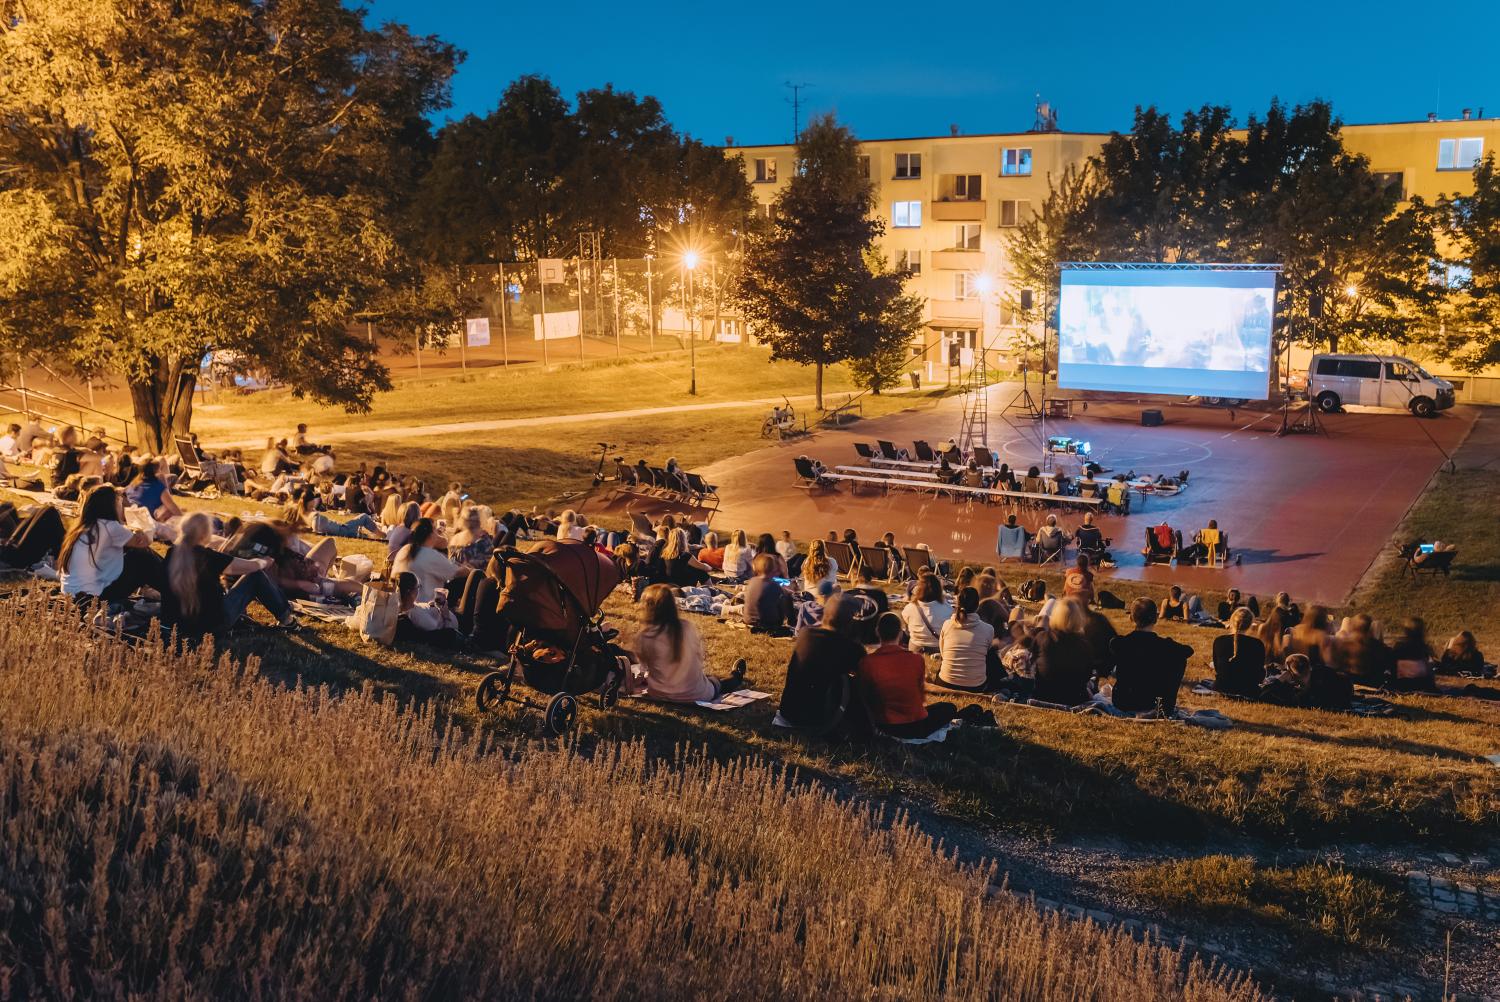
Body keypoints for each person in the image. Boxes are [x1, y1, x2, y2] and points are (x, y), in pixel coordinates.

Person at [163, 511, 298, 643]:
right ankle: (288, 621)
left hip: (177, 626)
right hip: (211, 626)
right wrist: (265, 561)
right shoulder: (208, 557)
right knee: (255, 576)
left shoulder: (171, 553)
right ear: (205, 533)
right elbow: (251, 567)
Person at [631, 584, 746, 702]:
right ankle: (736, 676)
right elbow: (699, 658)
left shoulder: (644, 636)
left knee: (707, 680)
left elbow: (644, 666)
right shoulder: (686, 627)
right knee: (716, 683)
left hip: (660, 694)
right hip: (696, 694)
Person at [778, 594, 868, 736]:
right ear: (851, 622)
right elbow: (865, 679)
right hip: (818, 719)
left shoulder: (805, 633)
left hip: (788, 712)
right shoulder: (852, 649)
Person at [58, 484, 165, 603]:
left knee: (130, 552)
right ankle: (173, 589)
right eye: (119, 503)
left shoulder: (83, 528)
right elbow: (145, 541)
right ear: (111, 506)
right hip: (92, 598)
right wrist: (142, 522)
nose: (121, 507)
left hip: (72, 593)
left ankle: (156, 586)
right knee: (141, 555)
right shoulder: (109, 527)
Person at [859, 612, 956, 739]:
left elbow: (866, 697)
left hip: (882, 725)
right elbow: (920, 696)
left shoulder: (867, 662)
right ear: (900, 634)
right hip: (915, 726)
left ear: (877, 632)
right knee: (949, 708)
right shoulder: (916, 659)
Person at [1108, 598, 1194, 714]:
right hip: (1155, 703)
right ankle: (1164, 704)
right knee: (1179, 658)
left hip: (1123, 701)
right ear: (1155, 619)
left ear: (1131, 618)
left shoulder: (1120, 643)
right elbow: (1188, 651)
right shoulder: (1166, 646)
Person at [1032, 598, 1094, 706]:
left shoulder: (1042, 637)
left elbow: (1034, 662)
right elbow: (1087, 676)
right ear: (1077, 618)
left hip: (1043, 695)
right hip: (1075, 698)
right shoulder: (1085, 645)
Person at [937, 587, 998, 691]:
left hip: (945, 682)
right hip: (975, 686)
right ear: (977, 605)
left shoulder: (947, 625)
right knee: (991, 654)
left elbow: (943, 653)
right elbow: (986, 655)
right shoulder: (988, 629)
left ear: (958, 603)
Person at [391, 518, 462, 603]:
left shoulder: (404, 550)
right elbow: (457, 572)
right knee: (470, 578)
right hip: (425, 605)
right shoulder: (430, 555)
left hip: (401, 603)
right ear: (430, 535)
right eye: (435, 530)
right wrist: (470, 570)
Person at [392, 571, 464, 650]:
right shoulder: (417, 616)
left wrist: (429, 606)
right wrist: (445, 614)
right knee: (472, 576)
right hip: (460, 626)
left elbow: (419, 609)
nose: (419, 589)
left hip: (450, 615)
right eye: (418, 587)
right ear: (410, 592)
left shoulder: (404, 607)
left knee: (471, 577)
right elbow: (445, 634)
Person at [1260, 653, 1352, 711]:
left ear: (1289, 671)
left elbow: (1264, 696)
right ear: (1309, 667)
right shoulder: (1323, 674)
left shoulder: (1296, 692)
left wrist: (1282, 678)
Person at [1212, 608, 1267, 697]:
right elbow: (1259, 674)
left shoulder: (1219, 641)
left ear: (1231, 621)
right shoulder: (1257, 644)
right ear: (1250, 624)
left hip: (1221, 686)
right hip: (1248, 690)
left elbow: (1217, 669)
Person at [1332, 613, 1393, 687]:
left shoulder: (1343, 644)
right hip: (1372, 683)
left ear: (1352, 627)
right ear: (1369, 628)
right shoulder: (1377, 645)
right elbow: (1386, 664)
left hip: (1349, 682)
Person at [900, 573, 951, 655]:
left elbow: (907, 629)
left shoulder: (909, 608)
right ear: (939, 589)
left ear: (919, 589)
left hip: (915, 648)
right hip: (939, 648)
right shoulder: (948, 609)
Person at [744, 553, 795, 634]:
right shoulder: (773, 586)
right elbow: (781, 608)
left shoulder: (752, 581)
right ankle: (793, 622)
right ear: (773, 569)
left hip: (748, 620)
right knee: (787, 598)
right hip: (767, 623)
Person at [843, 564, 890, 645]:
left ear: (856, 577)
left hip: (852, 641)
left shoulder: (847, 595)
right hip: (874, 640)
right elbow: (885, 620)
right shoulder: (880, 595)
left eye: (851, 577)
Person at [1390, 617, 1439, 693]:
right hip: (1422, 684)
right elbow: (1430, 668)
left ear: (1406, 630)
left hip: (1401, 685)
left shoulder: (1399, 646)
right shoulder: (1424, 647)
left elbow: (1392, 666)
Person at [1287, 605, 1334, 669]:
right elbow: (1328, 660)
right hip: (1312, 669)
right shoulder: (1320, 635)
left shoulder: (1296, 629)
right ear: (1322, 620)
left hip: (1294, 666)